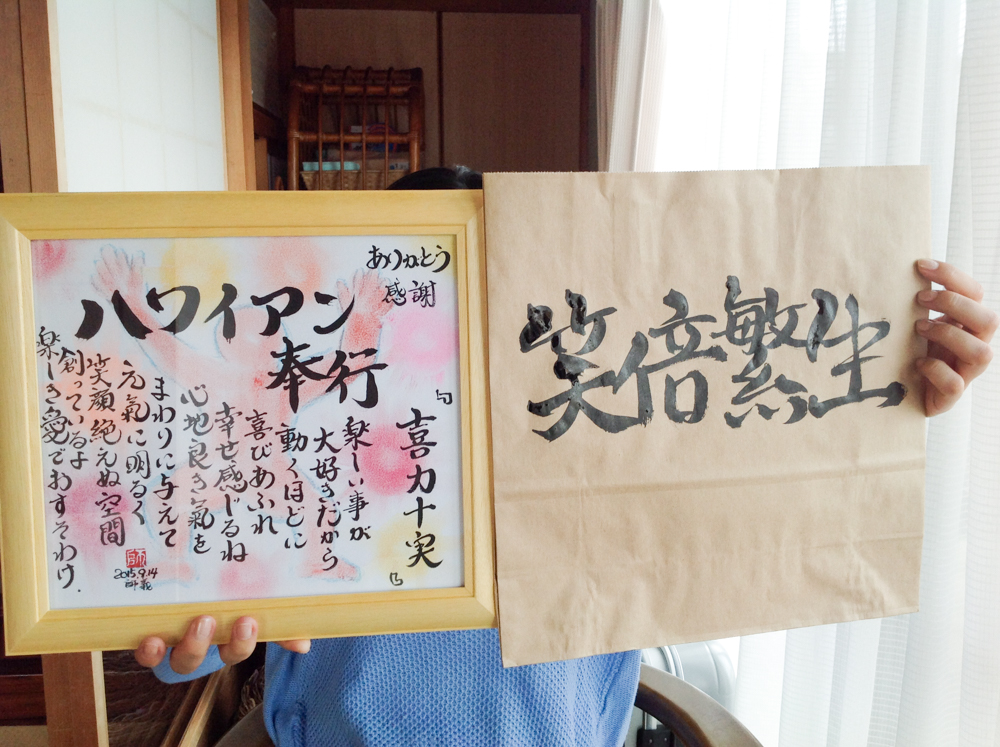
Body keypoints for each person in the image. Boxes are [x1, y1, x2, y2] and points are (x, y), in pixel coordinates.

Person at [136, 167, 997, 747]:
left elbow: (762, 479)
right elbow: (205, 617)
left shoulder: (612, 430)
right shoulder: (309, 438)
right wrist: (185, 633)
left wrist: (889, 382)